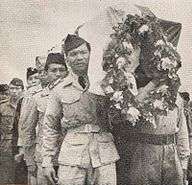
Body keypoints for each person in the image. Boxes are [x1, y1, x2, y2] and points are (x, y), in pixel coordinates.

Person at [42, 34, 119, 185]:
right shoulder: (60, 89)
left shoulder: (108, 83)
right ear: (66, 58)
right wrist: (47, 161)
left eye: (83, 52)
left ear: (90, 54)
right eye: (73, 54)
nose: (79, 58)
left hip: (104, 154)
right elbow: (50, 126)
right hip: (72, 156)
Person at [21, 52, 68, 185]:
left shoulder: (73, 96)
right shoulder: (36, 97)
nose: (58, 74)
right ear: (46, 73)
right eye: (53, 70)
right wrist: (29, 161)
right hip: (43, 159)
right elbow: (27, 131)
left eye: (62, 70)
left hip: (68, 157)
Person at [18, 57, 48, 185]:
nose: (43, 75)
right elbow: (26, 128)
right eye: (40, 72)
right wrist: (29, 159)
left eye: (44, 71)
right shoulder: (32, 95)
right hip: (37, 151)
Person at [0, 78, 24, 184]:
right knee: (5, 177)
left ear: (22, 90)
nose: (14, 91)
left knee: (21, 177)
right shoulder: (2, 107)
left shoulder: (27, 105)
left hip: (23, 144)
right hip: (6, 146)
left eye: (17, 88)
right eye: (12, 88)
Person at [180, 92, 192, 185]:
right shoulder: (179, 110)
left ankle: (190, 179)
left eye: (183, 99)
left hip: (190, 138)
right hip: (180, 138)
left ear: (187, 100)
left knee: (190, 159)